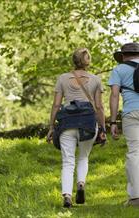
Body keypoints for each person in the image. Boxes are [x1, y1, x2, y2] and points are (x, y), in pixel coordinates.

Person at [47, 48, 106, 208]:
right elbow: (99, 107)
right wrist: (103, 128)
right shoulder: (95, 79)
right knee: (83, 157)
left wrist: (51, 126)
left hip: (67, 123)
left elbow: (56, 105)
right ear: (87, 61)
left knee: (68, 161)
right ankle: (80, 183)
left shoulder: (62, 78)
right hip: (88, 122)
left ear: (74, 60)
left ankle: (67, 195)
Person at [109, 42, 139, 207]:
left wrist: (113, 122)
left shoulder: (119, 70)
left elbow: (114, 96)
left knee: (135, 152)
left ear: (123, 55)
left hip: (131, 113)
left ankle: (135, 198)